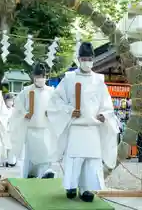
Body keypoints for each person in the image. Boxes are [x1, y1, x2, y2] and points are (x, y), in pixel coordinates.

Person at [47, 42, 119, 202]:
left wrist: (103, 115)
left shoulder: (99, 80)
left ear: (92, 59)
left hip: (92, 127)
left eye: (89, 59)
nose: (87, 62)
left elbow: (106, 104)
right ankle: (71, 186)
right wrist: (69, 110)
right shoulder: (69, 78)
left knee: (92, 160)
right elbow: (55, 100)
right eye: (84, 58)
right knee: (75, 159)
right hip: (76, 127)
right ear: (79, 59)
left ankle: (87, 189)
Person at [10, 62, 57, 179]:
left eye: (42, 76)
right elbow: (18, 106)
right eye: (37, 77)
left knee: (45, 155)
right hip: (31, 129)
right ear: (33, 77)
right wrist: (25, 114)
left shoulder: (51, 91)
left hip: (45, 129)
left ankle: (45, 174)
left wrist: (51, 112)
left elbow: (58, 107)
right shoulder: (26, 91)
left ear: (45, 77)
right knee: (30, 156)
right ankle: (29, 175)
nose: (40, 79)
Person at [2, 93, 17, 167]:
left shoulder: (14, 110)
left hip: (12, 130)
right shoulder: (2, 109)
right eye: (9, 100)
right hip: (5, 130)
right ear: (5, 101)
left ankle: (12, 161)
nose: (10, 102)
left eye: (12, 100)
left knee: (11, 147)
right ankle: (5, 161)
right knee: (4, 147)